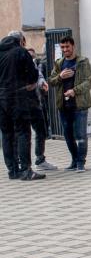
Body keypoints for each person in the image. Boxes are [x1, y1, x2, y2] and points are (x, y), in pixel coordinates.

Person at [48, 36, 91, 172]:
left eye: (67, 47)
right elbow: (51, 81)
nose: (65, 50)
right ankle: (74, 160)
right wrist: (60, 77)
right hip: (64, 105)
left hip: (79, 104)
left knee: (80, 135)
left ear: (73, 46)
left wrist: (75, 91)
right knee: (68, 135)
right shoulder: (59, 63)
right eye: (62, 47)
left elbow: (90, 81)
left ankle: (81, 162)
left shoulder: (83, 62)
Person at [0, 33, 42, 180]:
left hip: (1, 98)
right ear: (20, 41)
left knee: (6, 134)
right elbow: (32, 74)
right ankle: (25, 170)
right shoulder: (20, 51)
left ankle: (12, 170)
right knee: (23, 131)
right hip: (17, 96)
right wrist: (29, 83)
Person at [26, 47, 56, 171]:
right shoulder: (15, 62)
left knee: (41, 130)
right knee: (23, 133)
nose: (32, 58)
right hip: (22, 102)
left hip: (36, 102)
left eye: (33, 56)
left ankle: (39, 159)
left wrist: (42, 82)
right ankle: (23, 163)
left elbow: (38, 75)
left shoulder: (34, 64)